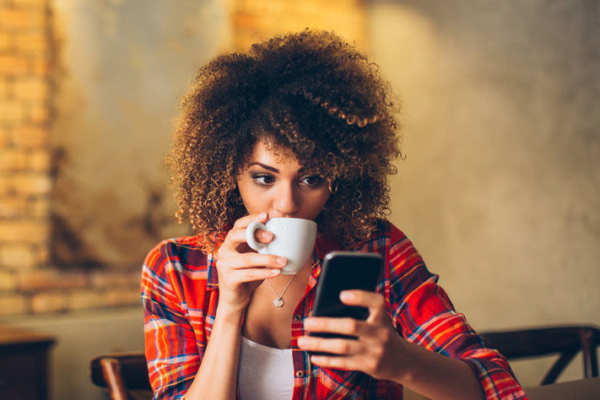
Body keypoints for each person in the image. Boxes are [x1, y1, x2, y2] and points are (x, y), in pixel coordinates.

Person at [141, 30, 526, 400]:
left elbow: (498, 387)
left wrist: (401, 361)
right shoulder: (176, 269)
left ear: (341, 177)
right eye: (264, 178)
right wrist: (229, 308)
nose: (288, 203)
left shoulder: (376, 250)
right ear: (229, 173)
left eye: (311, 178)